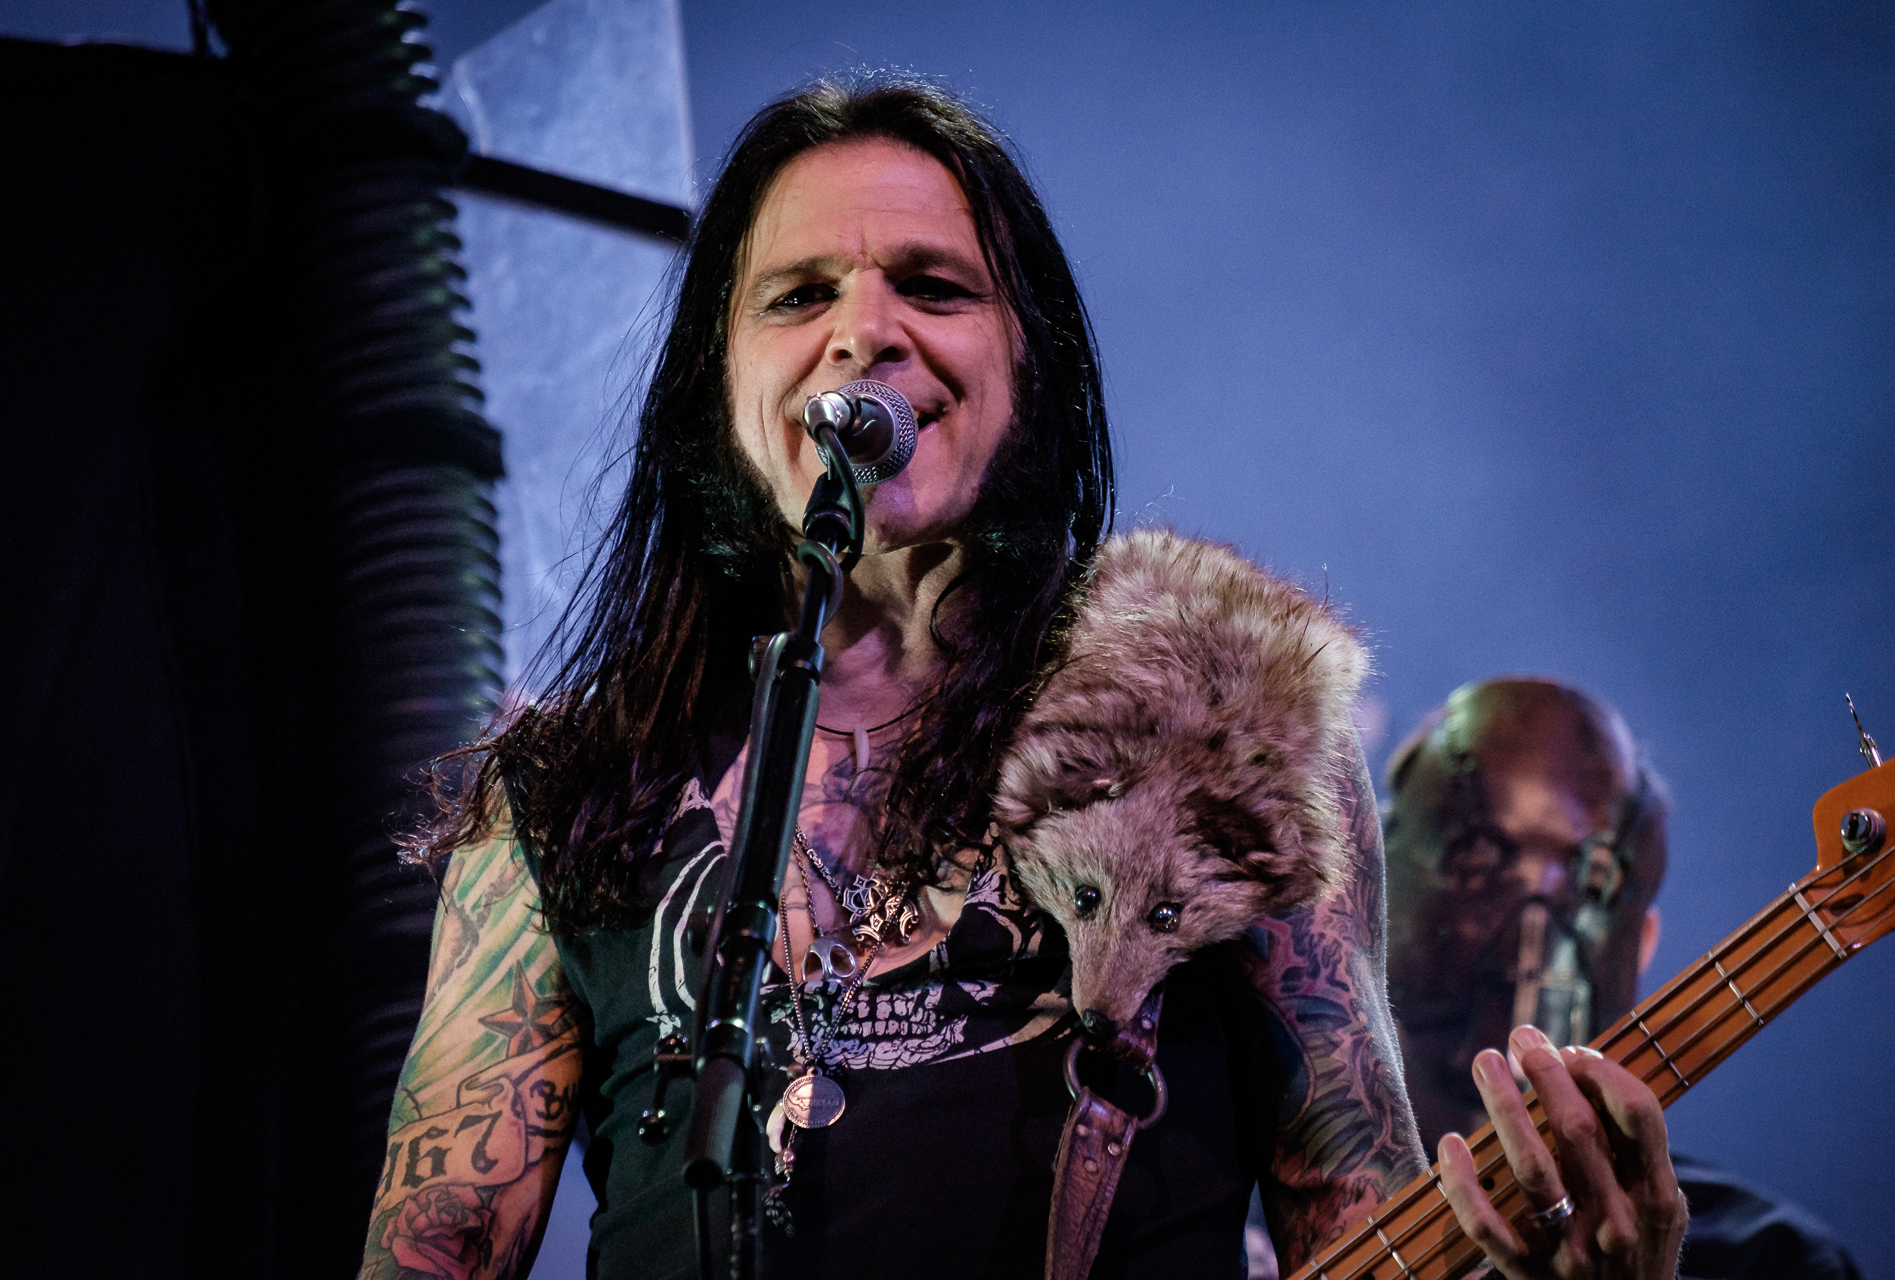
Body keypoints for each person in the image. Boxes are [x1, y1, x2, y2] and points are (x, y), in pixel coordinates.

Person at [357, 74, 1686, 1280]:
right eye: (799, 294)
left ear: (1026, 365)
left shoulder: (1226, 735)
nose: (861, 332)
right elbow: (441, 1246)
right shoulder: (559, 800)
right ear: (721, 380)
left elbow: (1356, 1214)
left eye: (933, 287)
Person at [1384, 677, 1862, 1280]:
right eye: (1475, 860)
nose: (1535, 923)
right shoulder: (1249, 1195)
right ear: (1371, 889)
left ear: (1643, 945)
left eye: (1595, 886)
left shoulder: (1777, 1262)